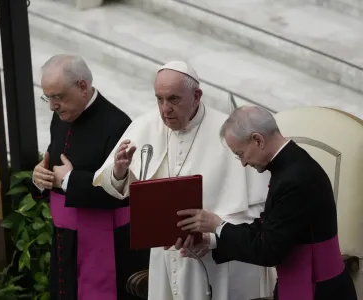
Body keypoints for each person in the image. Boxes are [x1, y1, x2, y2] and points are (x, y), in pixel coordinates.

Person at [92, 61, 276, 300]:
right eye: (159, 99)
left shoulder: (229, 132)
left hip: (219, 258)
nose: (165, 109)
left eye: (174, 99)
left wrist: (212, 237)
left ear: (197, 96)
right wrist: (120, 171)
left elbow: (258, 207)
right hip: (166, 256)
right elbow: (118, 188)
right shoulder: (144, 126)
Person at [177, 105, 358, 300]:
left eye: (240, 154)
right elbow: (269, 226)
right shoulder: (290, 165)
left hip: (318, 290)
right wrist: (211, 240)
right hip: (305, 283)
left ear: (257, 140)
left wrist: (218, 225)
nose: (243, 163)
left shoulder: (294, 178)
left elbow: (269, 250)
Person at [30, 54, 149, 300]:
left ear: (82, 86)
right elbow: (54, 167)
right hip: (65, 239)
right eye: (48, 98)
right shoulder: (61, 116)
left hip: (106, 243)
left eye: (58, 97)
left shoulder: (118, 124)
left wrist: (69, 180)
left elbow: (121, 192)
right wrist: (40, 178)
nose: (52, 106)